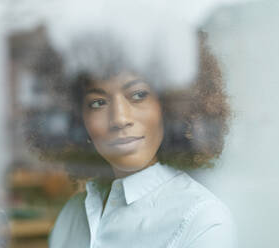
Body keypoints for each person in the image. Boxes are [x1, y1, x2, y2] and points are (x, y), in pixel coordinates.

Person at [28, 31, 236, 248]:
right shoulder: (71, 216)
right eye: (98, 103)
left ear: (169, 107)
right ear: (79, 120)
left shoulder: (202, 219)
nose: (119, 119)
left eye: (138, 95)